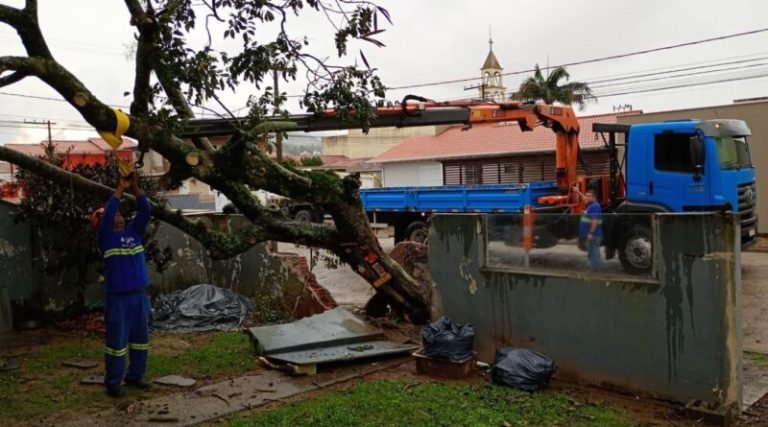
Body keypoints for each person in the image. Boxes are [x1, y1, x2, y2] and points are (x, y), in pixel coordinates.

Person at [93, 172, 151, 397]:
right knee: (116, 343)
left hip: (139, 297)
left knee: (140, 340)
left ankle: (136, 375)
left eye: (119, 213)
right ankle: (113, 382)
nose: (118, 216)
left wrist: (135, 188)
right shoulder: (106, 238)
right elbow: (108, 214)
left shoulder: (134, 233)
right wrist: (120, 189)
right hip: (118, 299)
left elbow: (145, 211)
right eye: (115, 214)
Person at [578, 189, 603, 272]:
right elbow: (584, 199)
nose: (587, 197)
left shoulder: (595, 206)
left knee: (594, 253)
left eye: (589, 196)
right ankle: (593, 268)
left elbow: (594, 221)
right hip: (592, 234)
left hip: (594, 235)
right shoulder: (590, 204)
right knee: (592, 252)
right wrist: (578, 192)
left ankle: (595, 271)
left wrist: (591, 233)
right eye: (587, 196)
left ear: (594, 197)